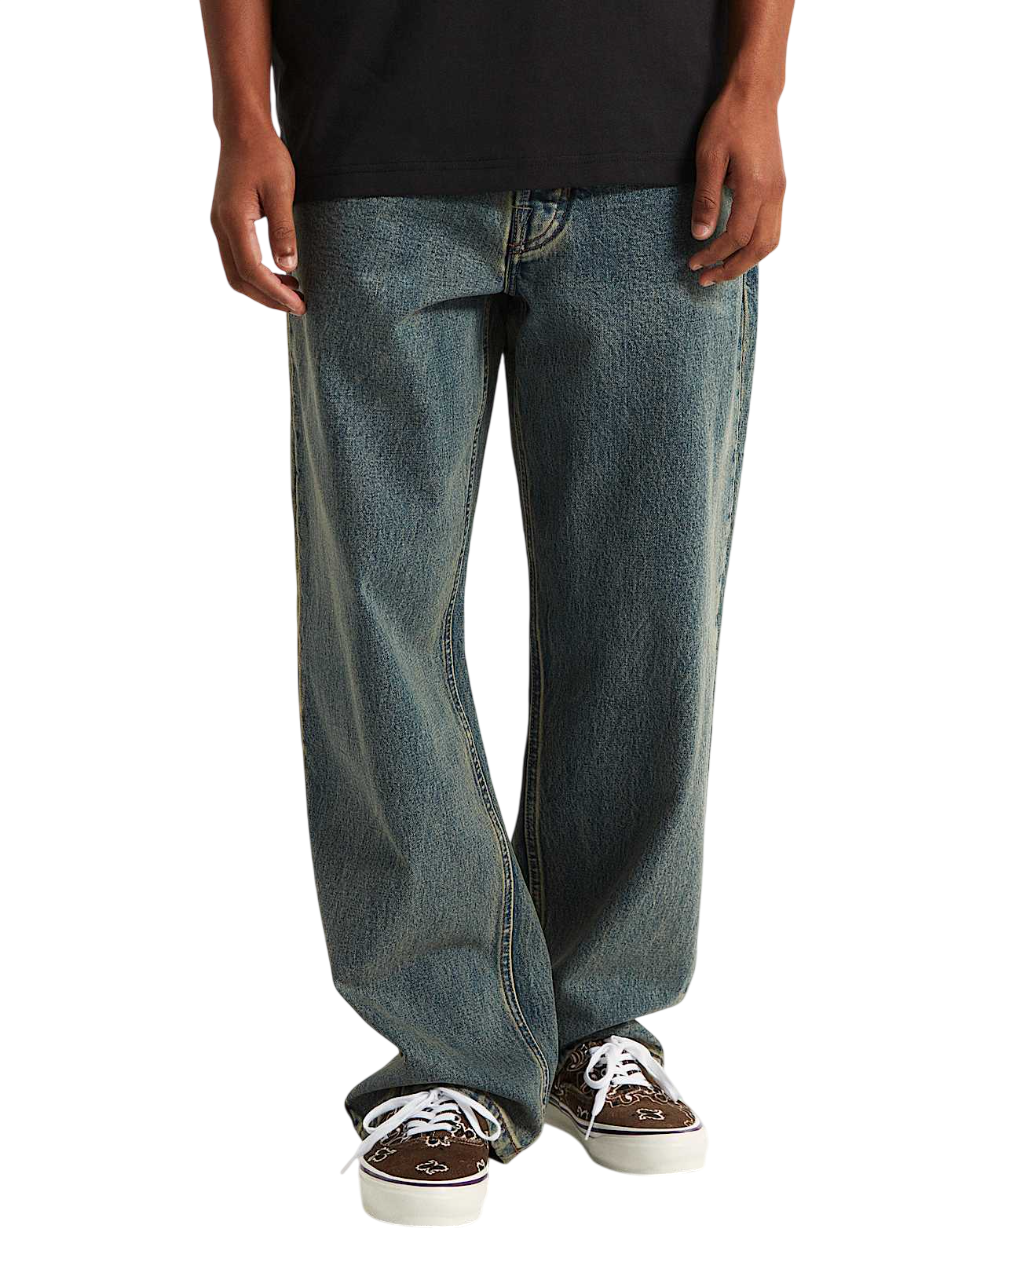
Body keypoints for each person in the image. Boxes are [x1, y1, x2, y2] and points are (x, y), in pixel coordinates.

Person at [201, 0, 793, 1230]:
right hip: (368, 141)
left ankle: (598, 1022)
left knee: (648, 610)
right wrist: (242, 118)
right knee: (375, 618)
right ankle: (447, 1051)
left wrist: (759, 86)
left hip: (659, 137)